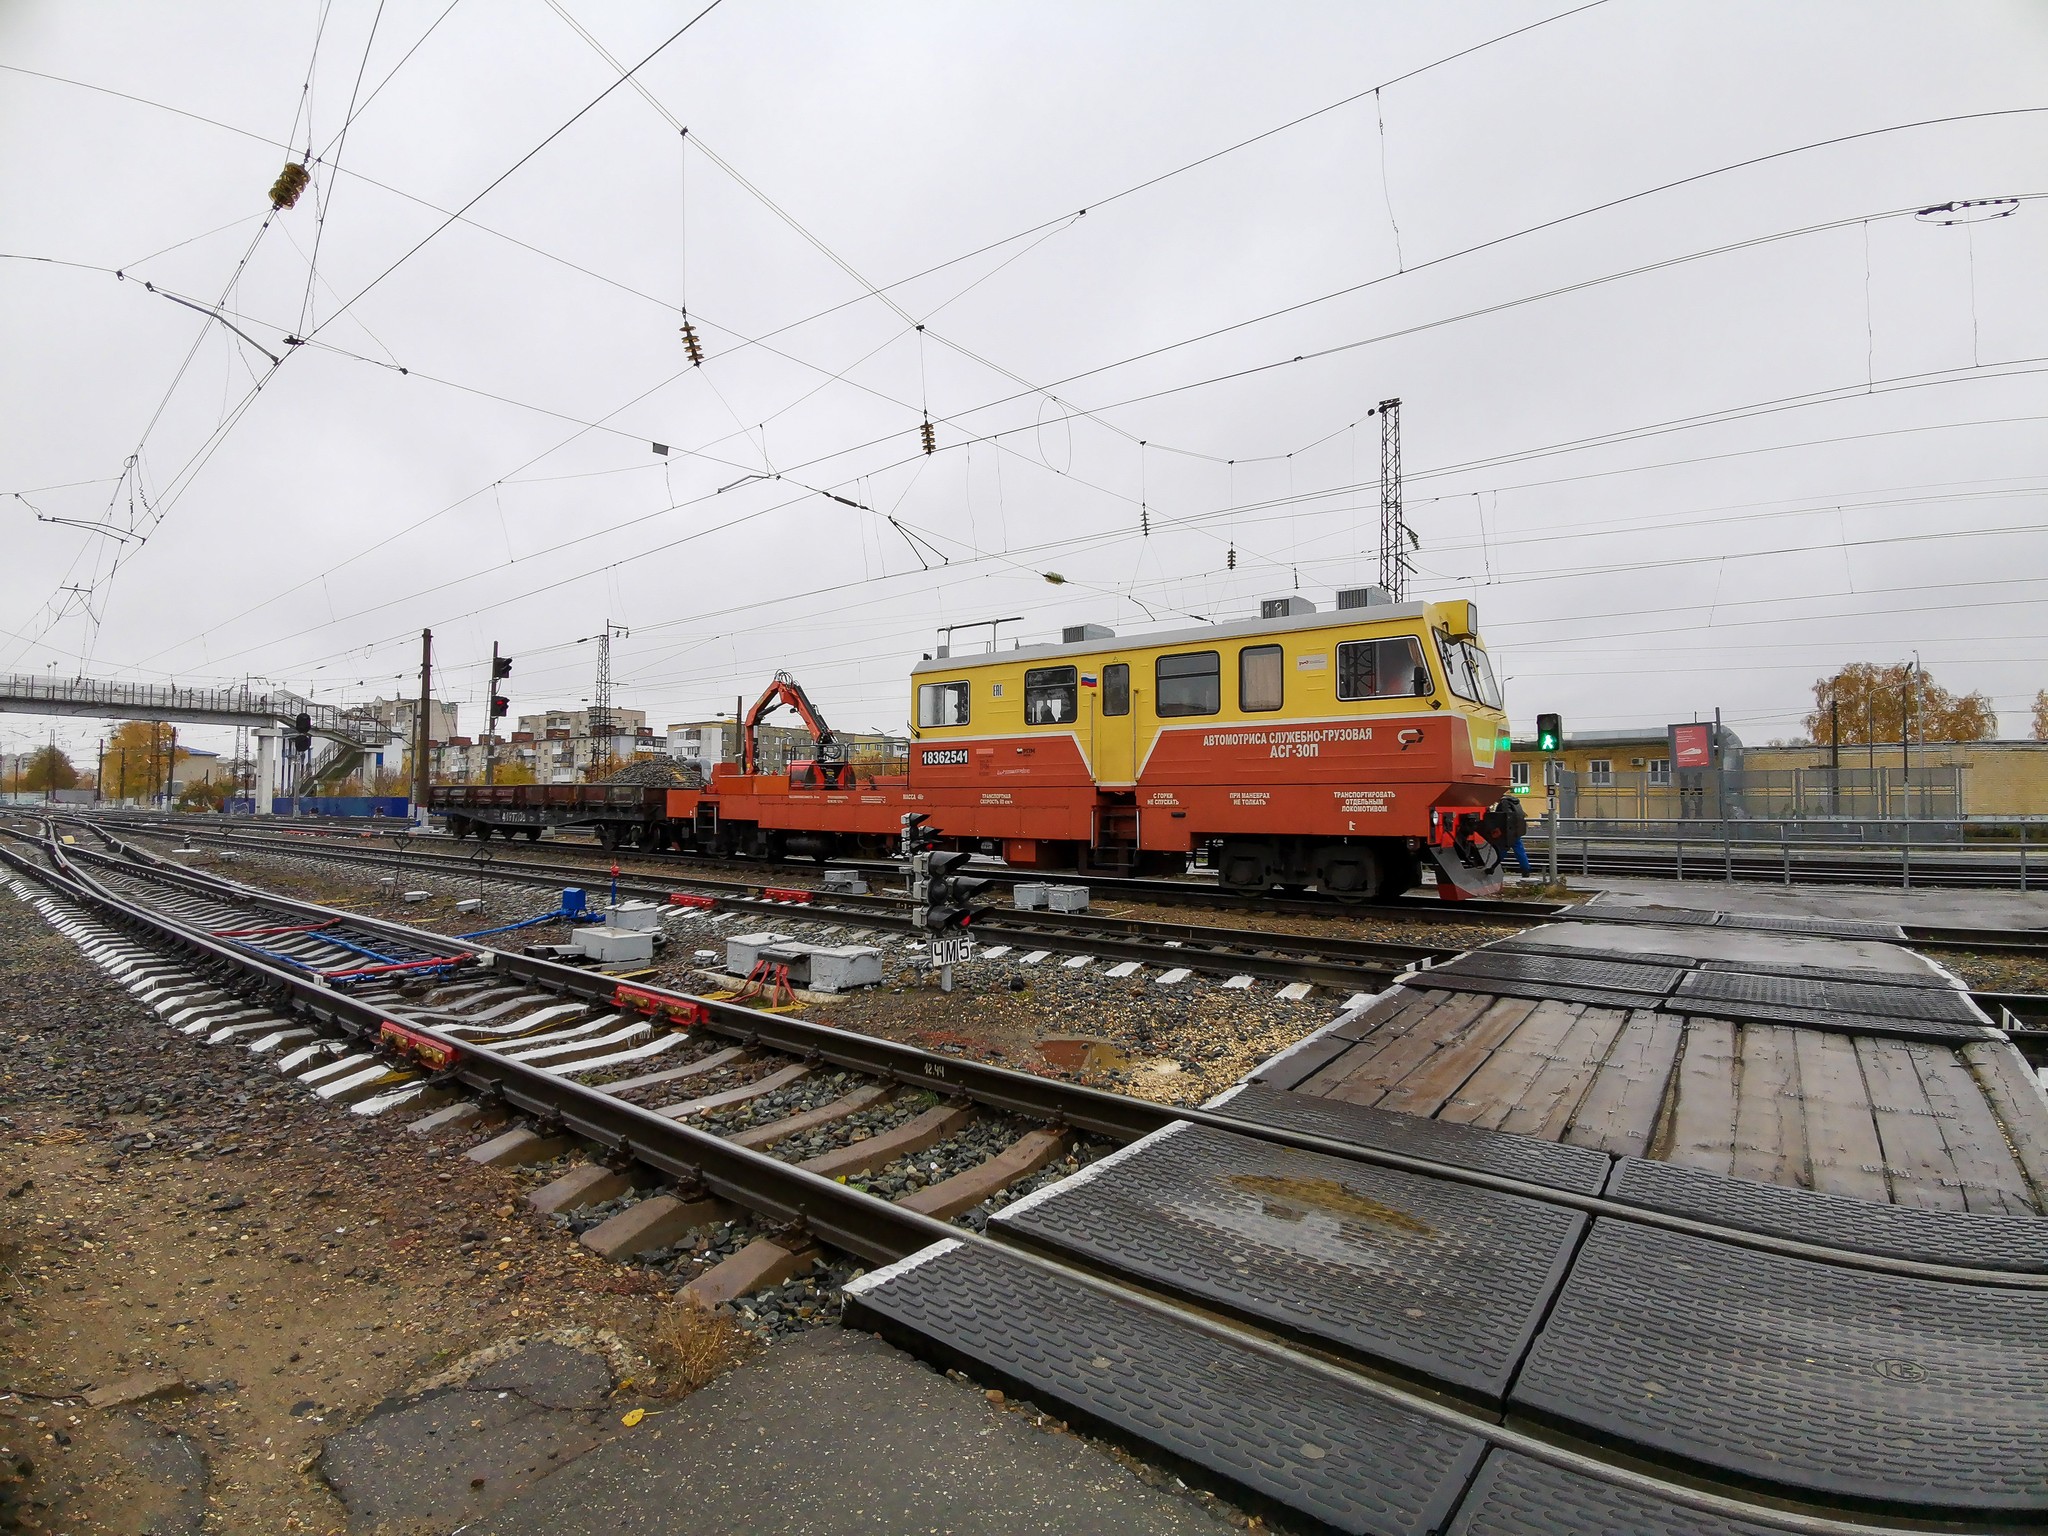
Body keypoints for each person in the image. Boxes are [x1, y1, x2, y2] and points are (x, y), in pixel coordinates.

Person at [1490, 790, 1531, 876]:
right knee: (1519, 851)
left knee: (1501, 850)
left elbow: (1504, 817)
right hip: (1517, 830)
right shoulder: (1515, 802)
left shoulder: (1504, 803)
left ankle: (1493, 867)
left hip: (1507, 832)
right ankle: (1526, 869)